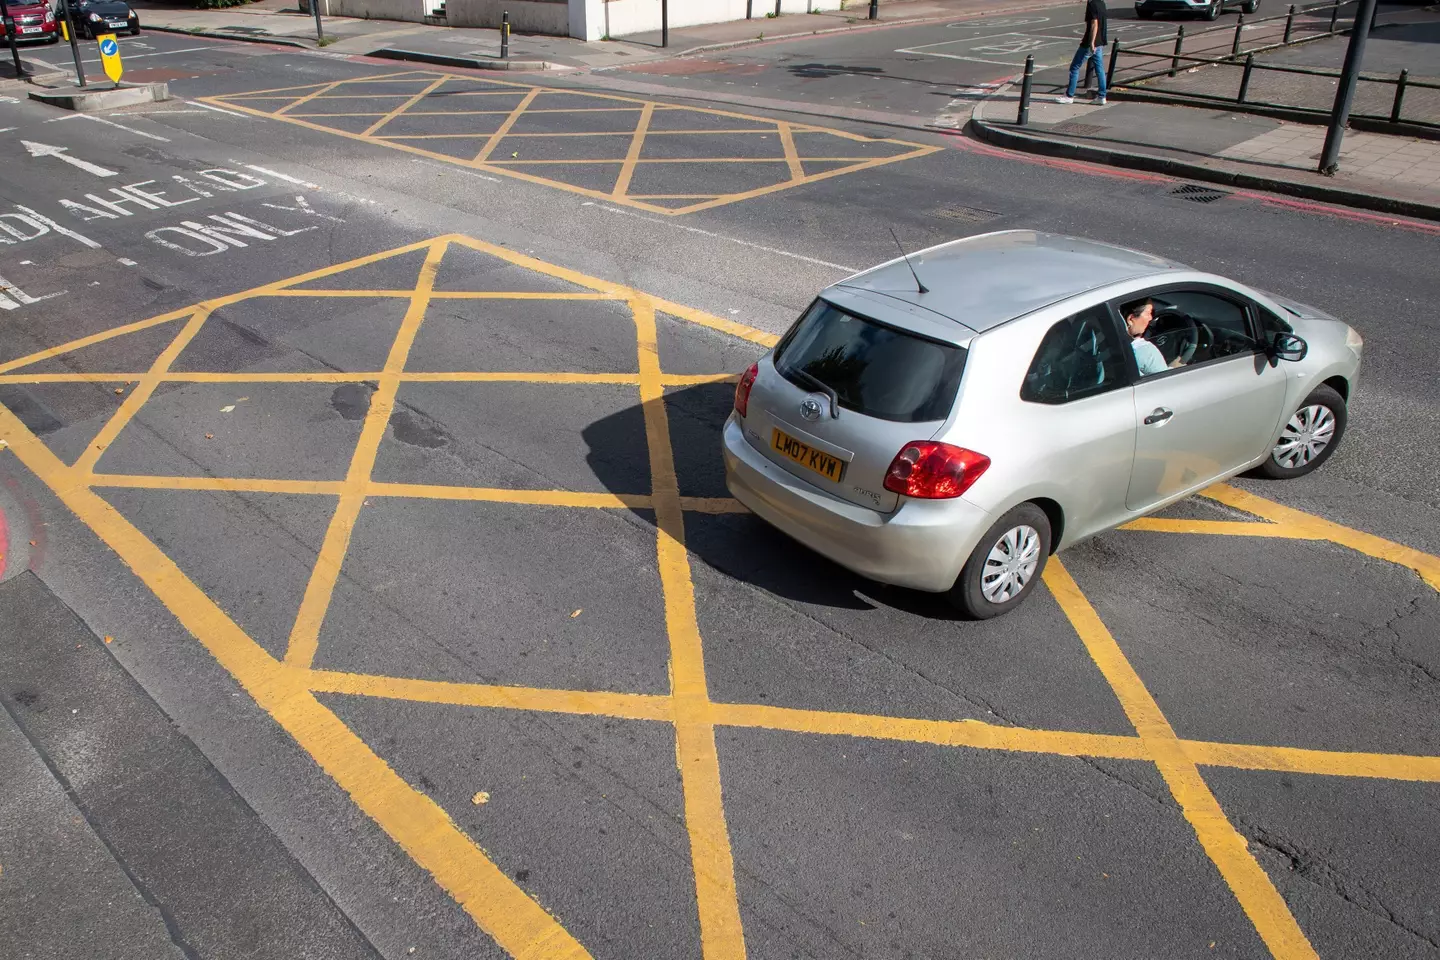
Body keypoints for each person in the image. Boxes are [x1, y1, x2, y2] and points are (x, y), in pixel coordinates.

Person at [1058, 0, 1108, 105]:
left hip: (1089, 43)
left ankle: (1069, 95)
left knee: (1074, 67)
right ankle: (1102, 96)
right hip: (1100, 42)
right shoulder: (1101, 3)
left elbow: (1095, 24)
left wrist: (1091, 42)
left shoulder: (1092, 4)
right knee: (1100, 70)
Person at [1124, 298, 1168, 376]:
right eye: (1149, 313)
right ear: (1130, 319)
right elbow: (1167, 381)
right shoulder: (1145, 350)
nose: (1151, 318)